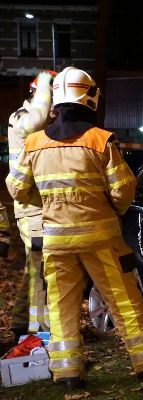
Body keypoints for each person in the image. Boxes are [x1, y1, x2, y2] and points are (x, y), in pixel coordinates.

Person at [5, 67, 143, 390]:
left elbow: (17, 188)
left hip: (56, 241)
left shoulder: (34, 143)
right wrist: (109, 210)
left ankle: (67, 373)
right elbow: (124, 189)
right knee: (123, 302)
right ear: (91, 97)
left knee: (61, 308)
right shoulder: (101, 141)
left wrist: (47, 204)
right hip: (101, 240)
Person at [7, 70, 55, 342]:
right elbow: (34, 122)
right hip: (30, 205)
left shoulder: (41, 119)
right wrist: (46, 82)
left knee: (34, 265)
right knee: (41, 268)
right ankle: (40, 332)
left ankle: (19, 323)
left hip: (40, 203)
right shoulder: (21, 117)